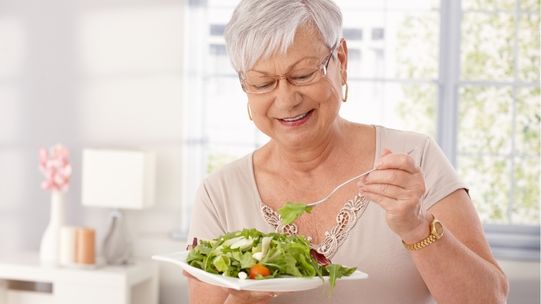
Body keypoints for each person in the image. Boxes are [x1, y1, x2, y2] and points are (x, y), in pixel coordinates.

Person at [185, 0, 509, 303]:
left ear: (340, 60)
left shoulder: (413, 157)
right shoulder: (220, 194)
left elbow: (491, 297)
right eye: (262, 83)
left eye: (303, 74)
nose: (286, 100)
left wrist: (416, 227)